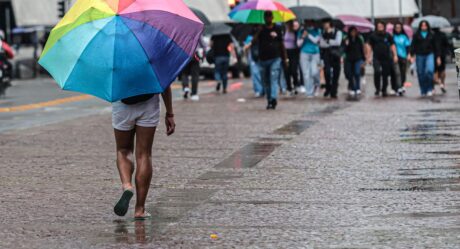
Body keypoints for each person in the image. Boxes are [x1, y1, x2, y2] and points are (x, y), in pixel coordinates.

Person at [112, 90, 175, 219]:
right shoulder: (154, 67)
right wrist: (169, 112)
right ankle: (140, 209)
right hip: (149, 104)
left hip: (122, 103)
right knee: (144, 154)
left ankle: (127, 186)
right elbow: (165, 82)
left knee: (123, 150)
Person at [249, 11, 288, 110]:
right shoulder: (260, 29)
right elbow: (253, 42)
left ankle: (273, 98)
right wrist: (258, 31)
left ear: (272, 17)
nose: (268, 18)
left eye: (269, 16)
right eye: (266, 16)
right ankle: (269, 99)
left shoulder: (277, 28)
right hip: (263, 59)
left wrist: (285, 58)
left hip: (275, 58)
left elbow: (281, 44)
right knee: (266, 81)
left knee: (273, 78)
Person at [366, 21, 398, 97]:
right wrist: (369, 57)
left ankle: (384, 89)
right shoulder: (373, 36)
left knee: (385, 74)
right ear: (376, 27)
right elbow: (369, 46)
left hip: (386, 57)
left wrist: (395, 55)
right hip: (376, 57)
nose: (380, 27)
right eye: (378, 26)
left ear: (384, 27)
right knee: (377, 71)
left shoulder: (388, 35)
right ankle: (377, 88)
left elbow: (393, 45)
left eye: (381, 26)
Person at [410, 20, 439, 97]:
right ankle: (423, 90)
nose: (424, 27)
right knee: (420, 73)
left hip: (430, 54)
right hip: (419, 55)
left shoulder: (432, 34)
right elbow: (413, 45)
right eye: (422, 25)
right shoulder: (416, 35)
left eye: (425, 25)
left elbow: (436, 46)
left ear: (427, 26)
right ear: (420, 26)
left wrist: (438, 57)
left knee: (429, 70)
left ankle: (430, 88)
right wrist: (411, 55)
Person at [319, 18, 343, 99]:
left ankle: (334, 91)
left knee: (336, 73)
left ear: (330, 23)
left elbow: (338, 42)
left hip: (335, 54)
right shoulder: (322, 32)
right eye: (323, 23)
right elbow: (322, 44)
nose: (325, 25)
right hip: (326, 54)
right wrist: (330, 42)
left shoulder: (338, 32)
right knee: (327, 72)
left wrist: (328, 41)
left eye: (326, 23)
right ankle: (328, 88)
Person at [297, 19, 321, 97]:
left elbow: (316, 41)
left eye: (310, 21)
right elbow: (298, 44)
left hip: (315, 53)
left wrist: (308, 35)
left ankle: (317, 84)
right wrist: (303, 37)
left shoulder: (318, 30)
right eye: (306, 21)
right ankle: (309, 92)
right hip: (304, 53)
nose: (308, 23)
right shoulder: (301, 31)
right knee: (306, 74)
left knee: (314, 72)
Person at [343, 26, 366, 98]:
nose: (353, 33)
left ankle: (357, 87)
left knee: (357, 72)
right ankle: (352, 87)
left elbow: (362, 49)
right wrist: (346, 44)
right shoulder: (346, 39)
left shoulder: (359, 39)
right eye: (351, 32)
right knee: (349, 73)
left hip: (357, 58)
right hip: (348, 59)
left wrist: (363, 59)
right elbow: (344, 50)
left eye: (354, 31)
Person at [283, 20, 301, 95]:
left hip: (294, 52)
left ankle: (296, 84)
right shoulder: (283, 31)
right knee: (286, 70)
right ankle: (289, 87)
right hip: (285, 52)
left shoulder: (295, 32)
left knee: (294, 69)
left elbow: (298, 42)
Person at [392, 22, 411, 94]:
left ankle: (402, 85)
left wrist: (409, 54)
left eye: (399, 27)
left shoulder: (404, 37)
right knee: (397, 72)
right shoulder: (392, 37)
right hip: (396, 56)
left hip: (404, 56)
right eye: (396, 27)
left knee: (403, 72)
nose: (398, 29)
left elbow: (408, 46)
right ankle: (398, 87)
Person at [245, 32, 264, 97]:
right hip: (255, 57)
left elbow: (245, 48)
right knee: (257, 74)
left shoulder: (263, 35)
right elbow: (246, 47)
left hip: (261, 57)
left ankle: (261, 90)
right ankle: (259, 90)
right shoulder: (250, 37)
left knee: (259, 74)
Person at [433, 27, 449, 93]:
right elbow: (447, 44)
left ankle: (436, 86)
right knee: (442, 70)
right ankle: (442, 84)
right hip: (442, 55)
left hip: (434, 55)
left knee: (434, 71)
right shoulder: (443, 34)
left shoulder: (431, 35)